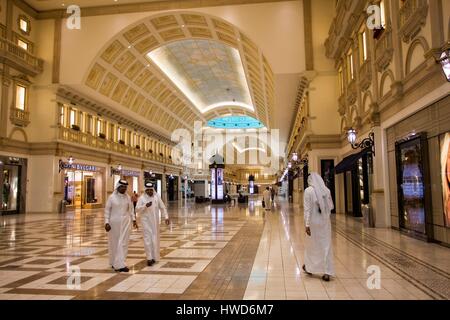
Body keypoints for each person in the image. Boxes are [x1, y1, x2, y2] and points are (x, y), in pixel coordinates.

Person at [302, 172, 335, 281]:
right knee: (326, 245)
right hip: (325, 223)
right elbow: (330, 207)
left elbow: (307, 209)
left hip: (313, 222)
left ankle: (310, 268)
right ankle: (327, 272)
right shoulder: (326, 191)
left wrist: (307, 224)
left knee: (312, 245)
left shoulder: (308, 191)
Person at [104, 179, 138, 272]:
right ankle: (113, 262)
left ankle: (120, 264)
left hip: (126, 223)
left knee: (123, 243)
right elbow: (107, 211)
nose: (123, 188)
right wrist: (106, 222)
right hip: (113, 224)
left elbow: (131, 210)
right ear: (118, 187)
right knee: (114, 243)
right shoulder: (111, 198)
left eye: (125, 187)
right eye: (122, 187)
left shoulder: (128, 197)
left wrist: (134, 220)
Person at [136, 182, 170, 266]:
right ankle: (149, 258)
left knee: (155, 239)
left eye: (151, 190)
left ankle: (154, 257)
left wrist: (166, 217)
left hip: (155, 222)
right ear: (145, 190)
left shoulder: (156, 197)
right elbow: (137, 209)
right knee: (148, 239)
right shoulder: (142, 198)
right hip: (146, 222)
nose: (150, 192)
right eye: (148, 190)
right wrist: (145, 206)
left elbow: (162, 207)